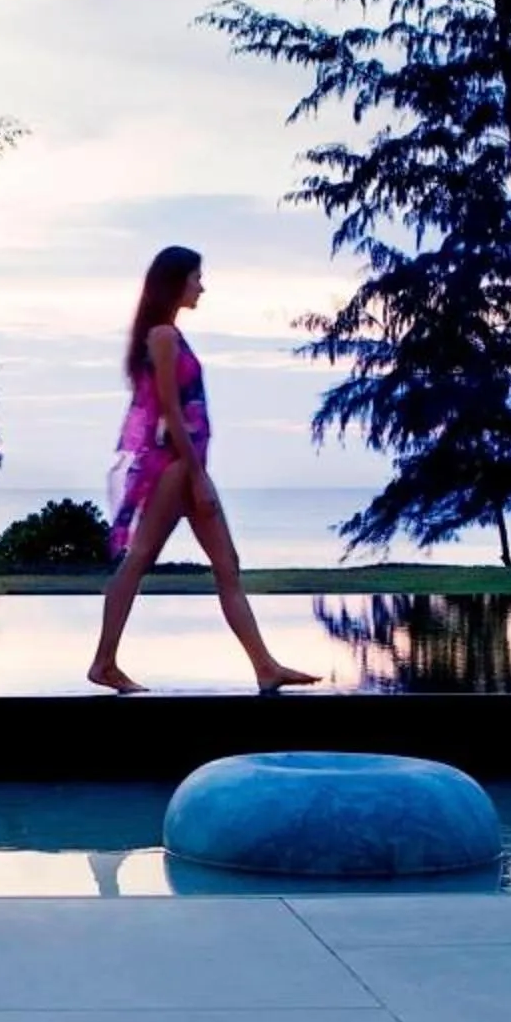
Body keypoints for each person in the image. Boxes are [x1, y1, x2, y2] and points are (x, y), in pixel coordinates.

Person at [87, 245, 320, 694]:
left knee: (226, 564)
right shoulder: (164, 338)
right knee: (140, 559)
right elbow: (172, 416)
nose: (202, 286)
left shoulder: (166, 335)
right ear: (176, 281)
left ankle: (265, 666)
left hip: (186, 463)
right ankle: (104, 662)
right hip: (178, 465)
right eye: (196, 277)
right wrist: (197, 478)